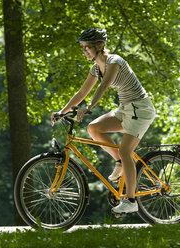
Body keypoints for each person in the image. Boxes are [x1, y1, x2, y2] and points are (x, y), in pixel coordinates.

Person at [51, 28, 155, 214]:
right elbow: (82, 92)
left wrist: (88, 108)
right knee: (94, 128)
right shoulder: (95, 68)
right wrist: (62, 111)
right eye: (83, 48)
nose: (85, 51)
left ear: (100, 46)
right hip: (126, 109)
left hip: (141, 108)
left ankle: (131, 201)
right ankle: (120, 163)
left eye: (88, 47)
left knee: (125, 151)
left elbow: (104, 86)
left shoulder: (115, 62)